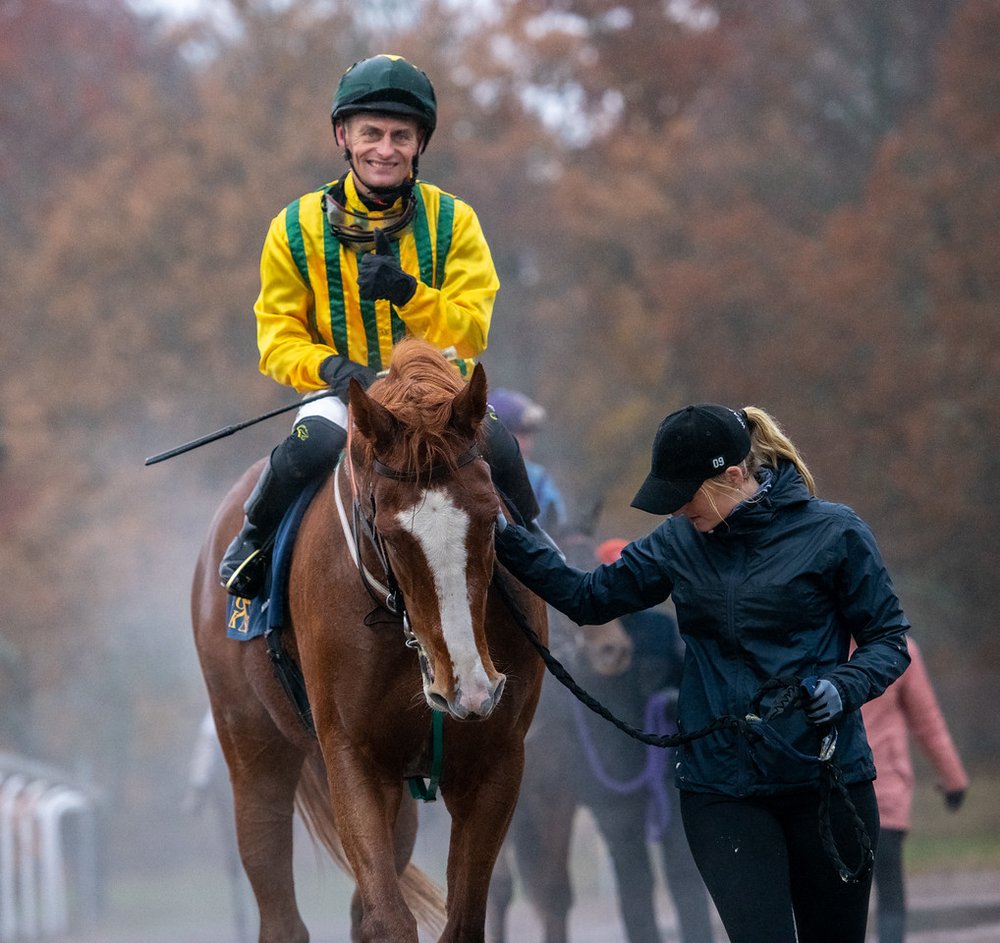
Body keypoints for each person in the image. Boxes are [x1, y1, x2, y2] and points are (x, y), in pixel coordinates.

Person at [494, 402, 911, 943]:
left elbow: (888, 639)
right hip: (722, 791)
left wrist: (843, 685)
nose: (676, 510)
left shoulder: (834, 533)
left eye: (684, 496)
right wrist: (502, 534)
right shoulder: (679, 542)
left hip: (829, 784)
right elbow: (589, 597)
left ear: (733, 475)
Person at [219, 53, 543, 597]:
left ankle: (536, 545)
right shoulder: (292, 227)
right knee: (308, 446)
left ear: (420, 143)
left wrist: (408, 292)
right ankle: (251, 540)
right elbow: (275, 337)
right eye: (371, 133)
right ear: (343, 136)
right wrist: (331, 366)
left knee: (503, 447)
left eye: (401, 135)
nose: (385, 150)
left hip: (441, 398)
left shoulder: (455, 220)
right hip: (346, 396)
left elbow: (470, 331)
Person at [570, 537, 715, 943]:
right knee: (631, 875)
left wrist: (675, 698)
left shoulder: (661, 628)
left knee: (685, 869)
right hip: (613, 777)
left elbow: (688, 679)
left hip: (668, 772)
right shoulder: (589, 634)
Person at [860, 637, 968, 943]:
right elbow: (927, 720)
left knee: (826, 900)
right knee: (890, 893)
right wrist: (953, 779)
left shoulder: (817, 641)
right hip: (884, 792)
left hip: (829, 796)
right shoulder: (898, 648)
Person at [489, 388, 568, 533]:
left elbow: (557, 527)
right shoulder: (480, 476)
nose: (528, 443)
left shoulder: (539, 478)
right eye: (520, 434)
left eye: (528, 435)